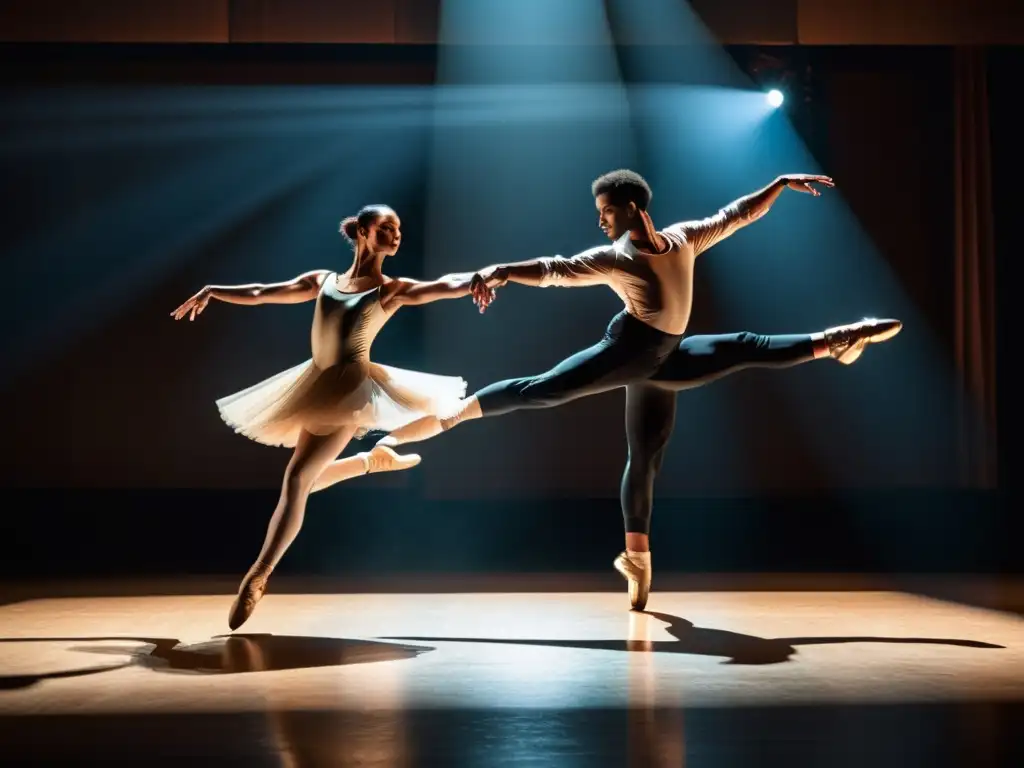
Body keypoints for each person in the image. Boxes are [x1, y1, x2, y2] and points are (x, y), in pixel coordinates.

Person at [348, 170, 902, 611]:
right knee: (545, 390)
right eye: (600, 215)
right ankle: (454, 414)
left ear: (633, 206)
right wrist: (500, 271)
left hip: (663, 360)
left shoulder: (683, 237)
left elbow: (736, 215)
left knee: (659, 443)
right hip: (629, 350)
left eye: (606, 211)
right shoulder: (614, 256)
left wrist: (778, 186)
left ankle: (637, 558)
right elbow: (555, 269)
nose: (602, 222)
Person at [171, 204, 481, 630]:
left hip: (350, 391)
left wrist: (479, 280)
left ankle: (258, 575)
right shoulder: (324, 282)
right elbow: (264, 291)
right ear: (363, 233)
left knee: (296, 481)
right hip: (314, 384)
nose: (396, 234)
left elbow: (442, 286)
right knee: (303, 483)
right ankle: (370, 462)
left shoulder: (390, 289)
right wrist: (213, 289)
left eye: (399, 228)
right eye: (387, 227)